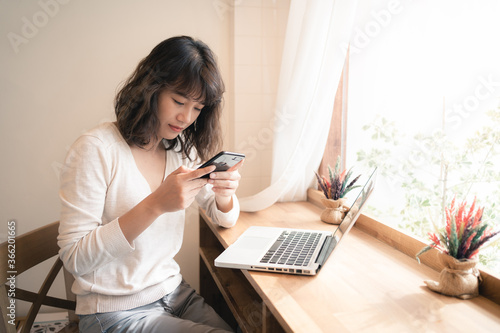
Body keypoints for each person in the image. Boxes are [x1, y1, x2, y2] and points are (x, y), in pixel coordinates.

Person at [57, 36, 242, 333]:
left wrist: (225, 194)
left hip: (173, 292)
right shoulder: (96, 148)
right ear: (150, 88)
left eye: (198, 108)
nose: (186, 117)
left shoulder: (181, 150)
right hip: (115, 310)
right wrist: (155, 204)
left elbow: (225, 218)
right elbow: (75, 257)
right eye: (179, 101)